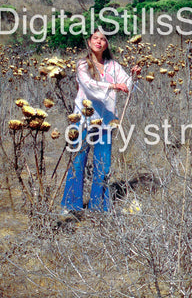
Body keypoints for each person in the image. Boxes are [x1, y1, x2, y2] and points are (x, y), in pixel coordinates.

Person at [60, 30, 140, 214]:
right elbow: (88, 85)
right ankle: (71, 206)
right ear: (89, 42)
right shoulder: (82, 64)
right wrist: (112, 86)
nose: (99, 41)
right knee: (78, 161)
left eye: (103, 39)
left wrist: (133, 76)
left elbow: (127, 85)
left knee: (102, 165)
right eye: (96, 38)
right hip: (83, 120)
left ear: (106, 44)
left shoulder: (113, 65)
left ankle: (99, 207)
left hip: (105, 121)